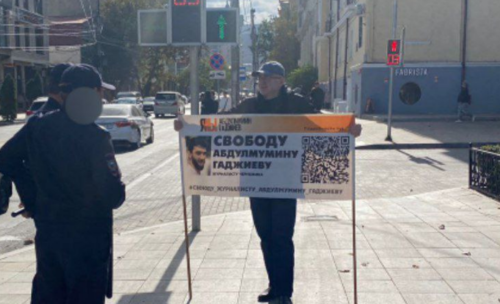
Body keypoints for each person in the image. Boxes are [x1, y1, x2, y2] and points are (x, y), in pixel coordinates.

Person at [0, 63, 125, 304]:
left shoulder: (38, 126)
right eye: (99, 92)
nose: (102, 98)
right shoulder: (95, 137)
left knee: (50, 295)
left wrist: (33, 198)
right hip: (88, 240)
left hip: (50, 232)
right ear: (89, 94)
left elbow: (6, 159)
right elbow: (113, 197)